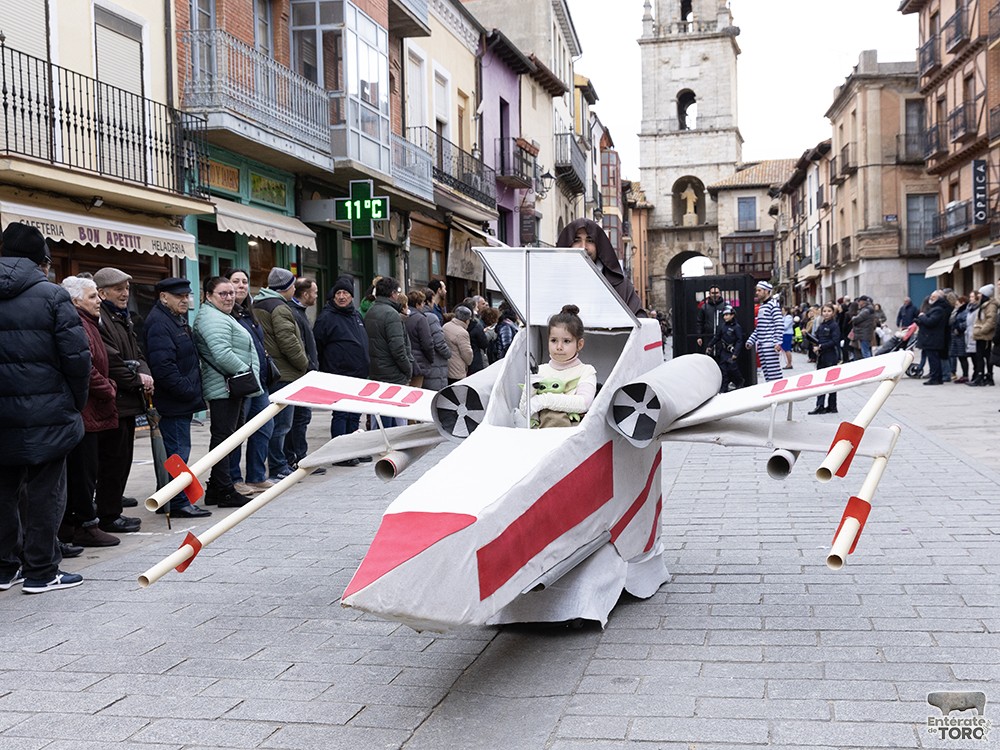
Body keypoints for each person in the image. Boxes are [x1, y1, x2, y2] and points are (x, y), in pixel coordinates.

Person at [0, 222, 90, 593]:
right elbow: (77, 360)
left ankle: (5, 569)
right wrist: (75, 404)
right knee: (46, 492)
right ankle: (41, 570)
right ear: (42, 261)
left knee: (3, 492)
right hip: (48, 411)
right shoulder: (53, 297)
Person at [59, 276, 122, 548]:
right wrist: (108, 388)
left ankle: (76, 524)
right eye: (93, 296)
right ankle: (84, 524)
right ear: (76, 301)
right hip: (84, 408)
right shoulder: (77, 322)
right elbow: (83, 366)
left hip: (92, 408)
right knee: (83, 471)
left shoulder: (88, 321)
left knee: (87, 469)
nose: (100, 301)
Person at [142, 277, 211, 518]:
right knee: (177, 453)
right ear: (163, 297)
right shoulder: (161, 323)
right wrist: (188, 391)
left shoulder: (173, 319)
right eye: (179, 296)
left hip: (179, 400)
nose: (185, 300)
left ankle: (167, 497)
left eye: (187, 295)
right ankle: (179, 501)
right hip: (174, 402)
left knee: (176, 450)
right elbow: (164, 368)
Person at [193, 277, 260, 506]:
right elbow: (221, 353)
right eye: (223, 293)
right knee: (224, 440)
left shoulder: (220, 315)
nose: (230, 297)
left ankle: (216, 488)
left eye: (231, 293)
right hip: (225, 387)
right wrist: (246, 373)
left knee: (230, 438)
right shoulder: (212, 317)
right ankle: (224, 490)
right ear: (209, 296)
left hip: (231, 385)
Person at [93, 267, 150, 535]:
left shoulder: (122, 316)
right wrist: (138, 380)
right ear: (102, 293)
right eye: (118, 289)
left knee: (122, 458)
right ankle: (108, 514)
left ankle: (112, 505)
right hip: (115, 401)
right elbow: (112, 361)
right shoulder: (102, 318)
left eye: (126, 288)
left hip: (127, 401)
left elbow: (137, 353)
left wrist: (144, 373)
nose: (125, 293)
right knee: (112, 461)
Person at [254, 267, 309, 481]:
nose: (294, 289)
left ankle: (279, 463)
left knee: (275, 423)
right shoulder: (278, 307)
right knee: (282, 424)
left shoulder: (259, 303)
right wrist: (303, 363)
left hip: (272, 371)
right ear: (286, 287)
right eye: (292, 285)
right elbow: (288, 341)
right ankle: (278, 465)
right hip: (283, 373)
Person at [225, 268, 273, 496]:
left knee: (264, 427)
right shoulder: (226, 313)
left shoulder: (248, 312)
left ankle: (256, 476)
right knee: (237, 433)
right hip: (242, 383)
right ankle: (235, 478)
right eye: (236, 281)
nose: (241, 286)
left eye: (245, 281)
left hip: (259, 382)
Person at [314, 275, 371, 465]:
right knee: (341, 414)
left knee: (354, 413)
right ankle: (339, 454)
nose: (341, 296)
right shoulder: (327, 317)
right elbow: (318, 345)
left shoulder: (355, 315)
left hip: (358, 374)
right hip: (339, 374)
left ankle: (352, 449)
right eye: (338, 293)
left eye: (345, 293)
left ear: (351, 296)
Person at [518, 305, 597, 429]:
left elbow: (584, 403)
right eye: (554, 340)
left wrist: (543, 400)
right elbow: (525, 411)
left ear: (579, 344)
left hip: (569, 438)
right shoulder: (540, 370)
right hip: (539, 436)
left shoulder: (586, 371)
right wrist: (530, 389)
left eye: (566, 341)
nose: (559, 347)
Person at [556, 218, 646, 316]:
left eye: (590, 240)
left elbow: (640, 321)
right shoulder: (553, 283)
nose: (583, 247)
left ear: (598, 246)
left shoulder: (621, 287)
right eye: (576, 241)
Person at [285, 277, 322, 473]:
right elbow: (298, 346)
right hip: (301, 375)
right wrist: (308, 366)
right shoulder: (294, 313)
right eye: (315, 293)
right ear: (306, 294)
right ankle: (298, 458)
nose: (316, 296)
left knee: (300, 419)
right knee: (299, 419)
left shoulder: (299, 312)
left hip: (305, 373)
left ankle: (297, 456)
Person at [365, 277, 413, 426]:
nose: (399, 295)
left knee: (379, 417)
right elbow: (398, 348)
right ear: (392, 293)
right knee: (394, 420)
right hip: (392, 374)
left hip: (377, 371)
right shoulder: (391, 314)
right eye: (398, 292)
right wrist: (408, 369)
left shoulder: (371, 310)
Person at [745, 281, 783, 382]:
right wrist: (751, 340)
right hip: (762, 345)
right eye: (756, 290)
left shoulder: (773, 305)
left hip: (770, 345)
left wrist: (777, 342)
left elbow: (779, 324)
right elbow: (760, 327)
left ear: (767, 291)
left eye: (759, 290)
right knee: (767, 375)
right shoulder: (762, 306)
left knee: (774, 375)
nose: (757, 293)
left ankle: (779, 395)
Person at [808, 304, 841, 414]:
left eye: (829, 311)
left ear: (833, 312)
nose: (826, 313)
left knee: (832, 381)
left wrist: (821, 346)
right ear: (821, 313)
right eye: (824, 311)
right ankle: (820, 405)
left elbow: (835, 340)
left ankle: (832, 406)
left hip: (831, 356)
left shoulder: (834, 325)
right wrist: (815, 346)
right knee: (820, 381)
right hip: (821, 356)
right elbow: (818, 339)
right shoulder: (821, 325)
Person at [418, 287, 452, 391]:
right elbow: (439, 342)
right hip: (435, 365)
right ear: (428, 301)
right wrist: (448, 353)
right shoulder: (431, 317)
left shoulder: (413, 315)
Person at [915, 290, 950, 385]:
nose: (931, 298)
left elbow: (931, 322)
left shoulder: (938, 309)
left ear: (938, 299)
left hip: (933, 338)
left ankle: (935, 378)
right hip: (931, 338)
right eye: (931, 296)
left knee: (934, 359)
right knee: (933, 359)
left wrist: (922, 316)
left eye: (933, 297)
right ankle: (936, 377)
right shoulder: (934, 308)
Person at [705, 306, 744, 392]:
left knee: (732, 368)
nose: (725, 317)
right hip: (724, 352)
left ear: (732, 315)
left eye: (727, 315)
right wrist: (710, 345)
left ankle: (739, 381)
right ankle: (724, 388)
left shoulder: (736, 327)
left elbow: (739, 340)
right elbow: (717, 337)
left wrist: (736, 353)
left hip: (731, 351)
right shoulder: (723, 326)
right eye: (724, 315)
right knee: (723, 370)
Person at [405, 290, 434, 389]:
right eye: (422, 303)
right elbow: (427, 343)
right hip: (418, 362)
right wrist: (431, 358)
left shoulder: (403, 316)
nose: (423, 306)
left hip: (405, 360)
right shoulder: (420, 319)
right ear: (417, 304)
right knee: (415, 391)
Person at [970, 284, 997, 387]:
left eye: (980, 293)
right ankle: (981, 376)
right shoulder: (982, 304)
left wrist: (982, 330)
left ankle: (985, 376)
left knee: (985, 357)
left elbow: (991, 320)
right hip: (980, 335)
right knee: (980, 356)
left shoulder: (990, 305)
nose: (978, 295)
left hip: (984, 336)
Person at [444, 305, 475, 384]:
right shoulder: (462, 333)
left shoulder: (445, 326)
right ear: (467, 320)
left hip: (446, 368)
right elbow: (467, 354)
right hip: (457, 371)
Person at [463, 296, 489, 374]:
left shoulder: (455, 325)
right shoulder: (476, 324)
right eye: (483, 304)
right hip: (475, 360)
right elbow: (484, 343)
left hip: (461, 363)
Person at [696, 286, 727, 352]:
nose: (715, 295)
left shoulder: (725, 306)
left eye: (717, 293)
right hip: (708, 336)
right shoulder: (704, 307)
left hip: (723, 337)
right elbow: (700, 322)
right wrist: (699, 336)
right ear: (709, 294)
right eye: (713, 293)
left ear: (720, 293)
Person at [950, 295, 970, 383]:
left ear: (963, 303)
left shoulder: (965, 311)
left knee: (963, 357)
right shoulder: (960, 311)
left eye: (957, 304)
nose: (956, 306)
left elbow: (967, 322)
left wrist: (959, 328)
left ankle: (965, 376)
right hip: (958, 338)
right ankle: (964, 375)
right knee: (961, 357)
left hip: (962, 337)